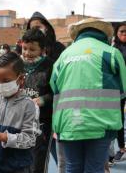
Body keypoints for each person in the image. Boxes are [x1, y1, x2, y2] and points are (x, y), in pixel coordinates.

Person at [50, 18, 126, 173]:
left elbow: (54, 86)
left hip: (68, 122)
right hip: (100, 122)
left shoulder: (64, 55)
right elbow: (123, 88)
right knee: (95, 168)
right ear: (104, 34)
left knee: (72, 167)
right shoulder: (111, 53)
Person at [0, 52, 41, 173]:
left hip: (17, 168)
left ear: (21, 78)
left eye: (6, 80)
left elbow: (30, 139)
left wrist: (3, 137)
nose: (1, 85)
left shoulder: (29, 106)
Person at [21, 28, 54, 173]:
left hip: (42, 122)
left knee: (37, 164)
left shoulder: (50, 66)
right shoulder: (16, 64)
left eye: (32, 50)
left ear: (42, 50)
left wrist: (43, 100)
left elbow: (57, 93)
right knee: (19, 162)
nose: (27, 53)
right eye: (25, 48)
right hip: (19, 121)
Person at [112, 21, 126, 161]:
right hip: (119, 89)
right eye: (122, 31)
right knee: (119, 119)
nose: (124, 34)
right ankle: (121, 148)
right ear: (117, 33)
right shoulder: (113, 49)